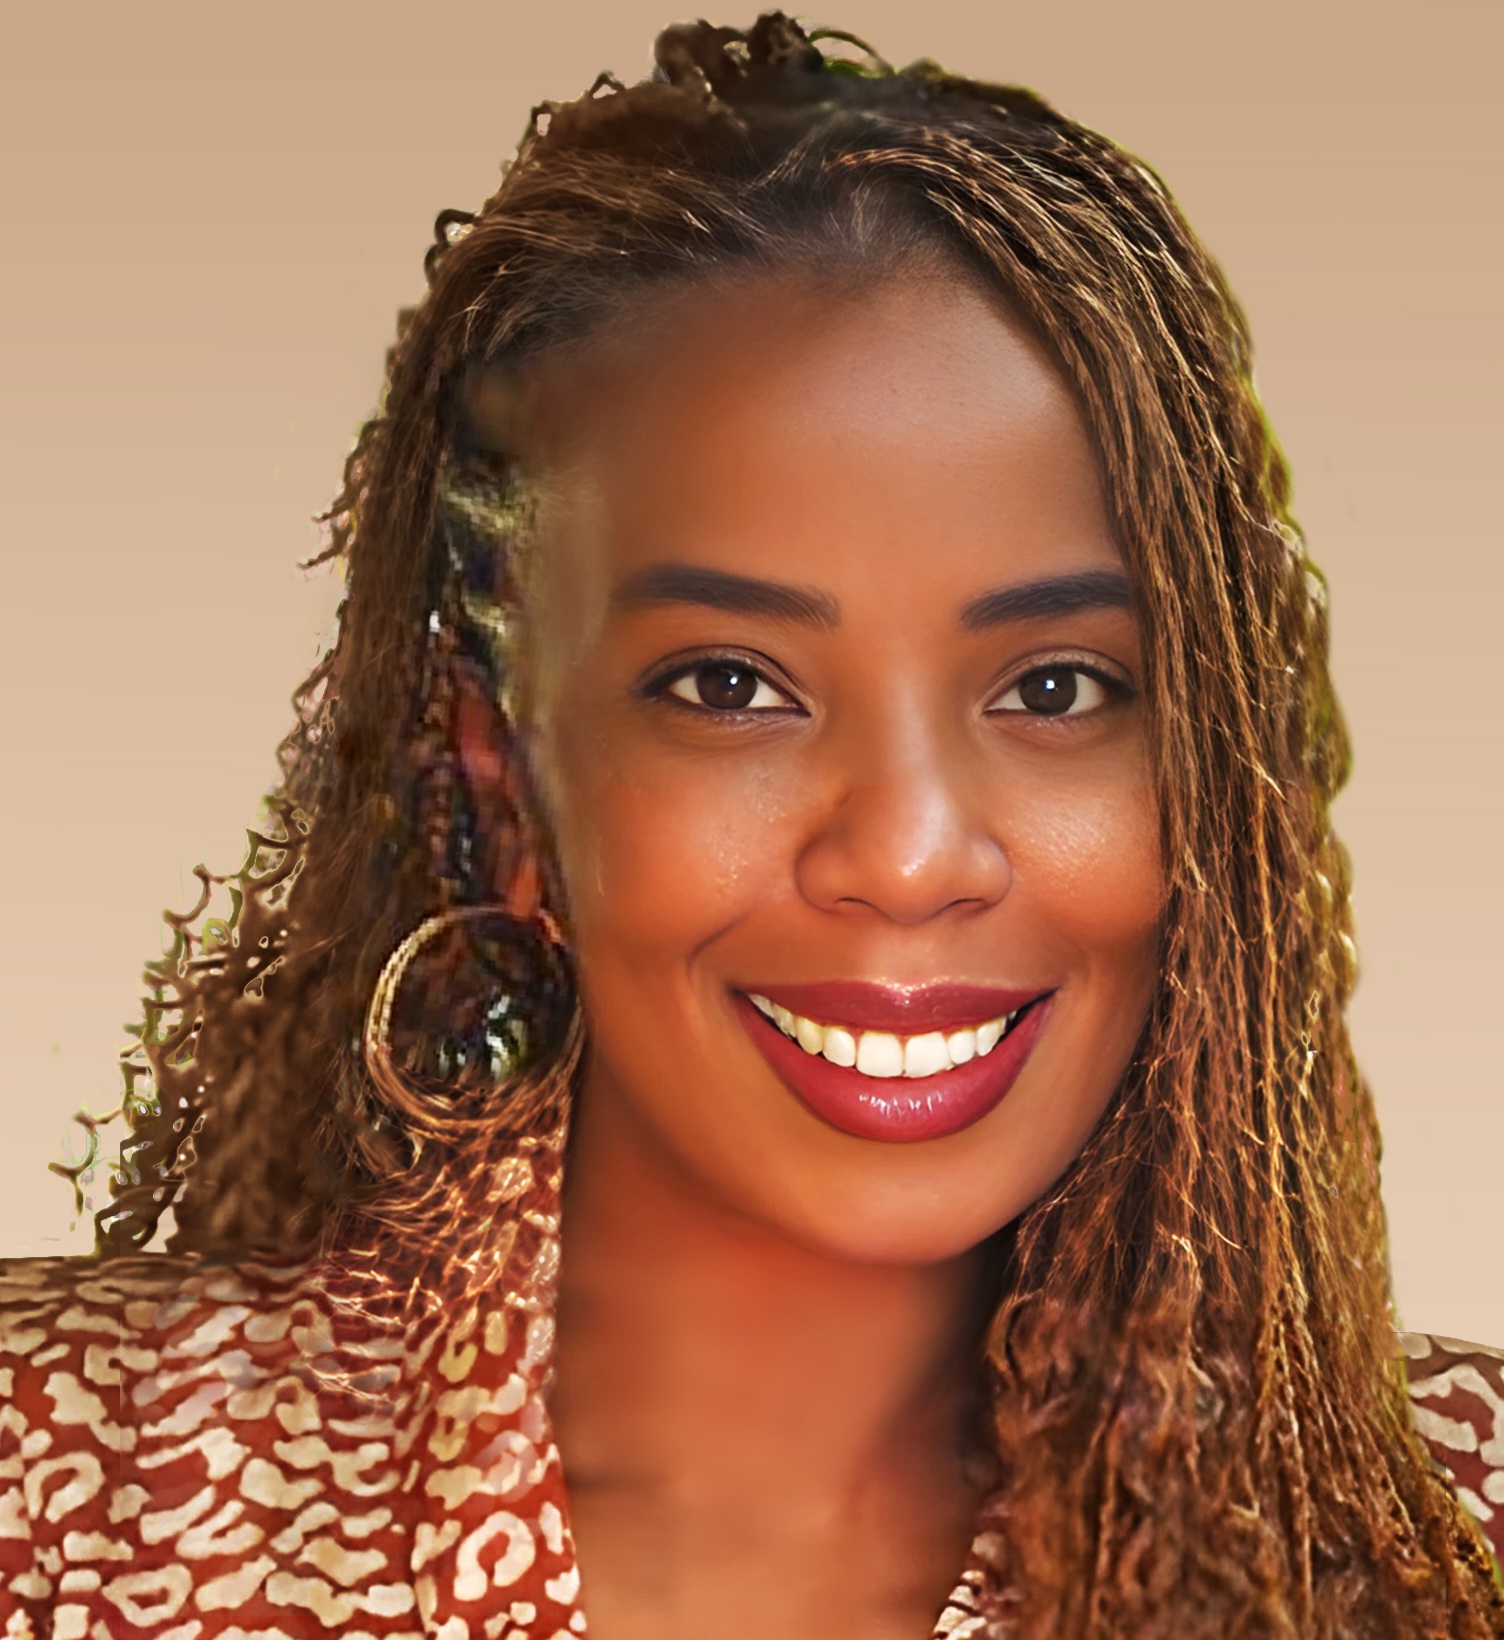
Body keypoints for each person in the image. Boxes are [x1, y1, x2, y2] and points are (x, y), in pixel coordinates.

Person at [2, 11, 1500, 1638]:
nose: (913, 851)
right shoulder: (57, 1484)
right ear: (503, 770)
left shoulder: (1454, 1538)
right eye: (731, 684)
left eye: (1058, 689)